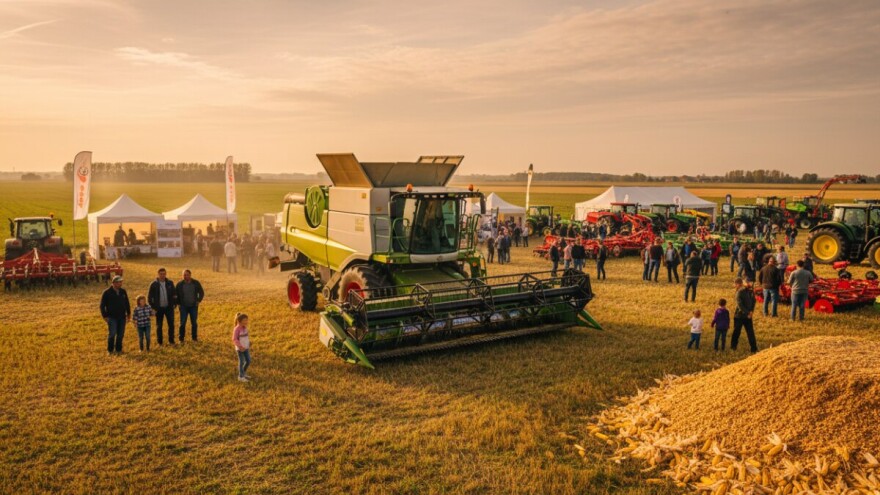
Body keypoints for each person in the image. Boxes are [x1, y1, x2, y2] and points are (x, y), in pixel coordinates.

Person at [100, 276, 130, 355]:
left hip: (122, 316)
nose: (120, 284)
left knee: (120, 334)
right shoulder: (106, 292)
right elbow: (102, 305)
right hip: (112, 317)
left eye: (120, 282)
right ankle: (110, 350)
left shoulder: (123, 291)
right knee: (112, 333)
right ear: (113, 283)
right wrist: (105, 316)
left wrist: (129, 314)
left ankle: (119, 349)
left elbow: (127, 303)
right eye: (118, 282)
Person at [148, 267, 177, 346]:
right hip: (159, 309)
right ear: (158, 274)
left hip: (169, 308)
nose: (162, 275)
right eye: (161, 274)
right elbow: (149, 297)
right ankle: (159, 342)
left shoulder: (170, 283)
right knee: (159, 326)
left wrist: (174, 304)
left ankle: (171, 341)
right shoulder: (153, 284)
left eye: (164, 274)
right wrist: (153, 307)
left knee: (171, 324)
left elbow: (174, 294)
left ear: (166, 274)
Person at [176, 269, 204, 343]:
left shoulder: (196, 283)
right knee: (182, 323)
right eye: (184, 275)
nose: (186, 276)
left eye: (187, 275)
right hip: (183, 307)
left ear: (190, 275)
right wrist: (178, 303)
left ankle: (194, 338)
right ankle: (181, 339)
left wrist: (198, 300)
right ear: (182, 276)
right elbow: (176, 295)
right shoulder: (179, 284)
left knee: (194, 323)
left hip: (193, 306)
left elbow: (201, 292)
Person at [731, 277, 758, 353]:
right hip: (749, 315)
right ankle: (754, 348)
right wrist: (751, 312)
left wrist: (746, 313)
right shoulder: (750, 291)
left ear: (738, 284)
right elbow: (754, 301)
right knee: (750, 332)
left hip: (739, 315)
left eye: (735, 284)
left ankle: (733, 346)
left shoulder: (739, 292)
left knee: (736, 332)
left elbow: (740, 305)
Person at [232, 313, 252, 382]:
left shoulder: (245, 328)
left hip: (246, 347)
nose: (246, 322)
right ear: (239, 321)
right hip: (240, 349)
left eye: (247, 320)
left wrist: (249, 343)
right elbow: (234, 339)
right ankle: (240, 376)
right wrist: (240, 347)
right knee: (242, 361)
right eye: (245, 320)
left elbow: (246, 337)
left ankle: (243, 373)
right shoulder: (237, 329)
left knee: (248, 360)